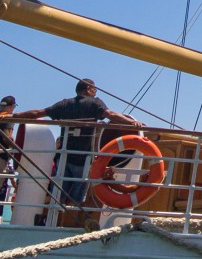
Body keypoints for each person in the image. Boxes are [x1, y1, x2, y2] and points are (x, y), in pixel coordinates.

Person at [13, 79, 138, 217]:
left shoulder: (65, 104)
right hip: (82, 159)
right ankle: (69, 223)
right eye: (94, 90)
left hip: (63, 158)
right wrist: (133, 123)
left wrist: (13, 116)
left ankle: (52, 222)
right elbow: (111, 115)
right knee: (76, 199)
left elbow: (37, 113)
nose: (95, 93)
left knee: (58, 195)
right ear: (89, 89)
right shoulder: (94, 103)